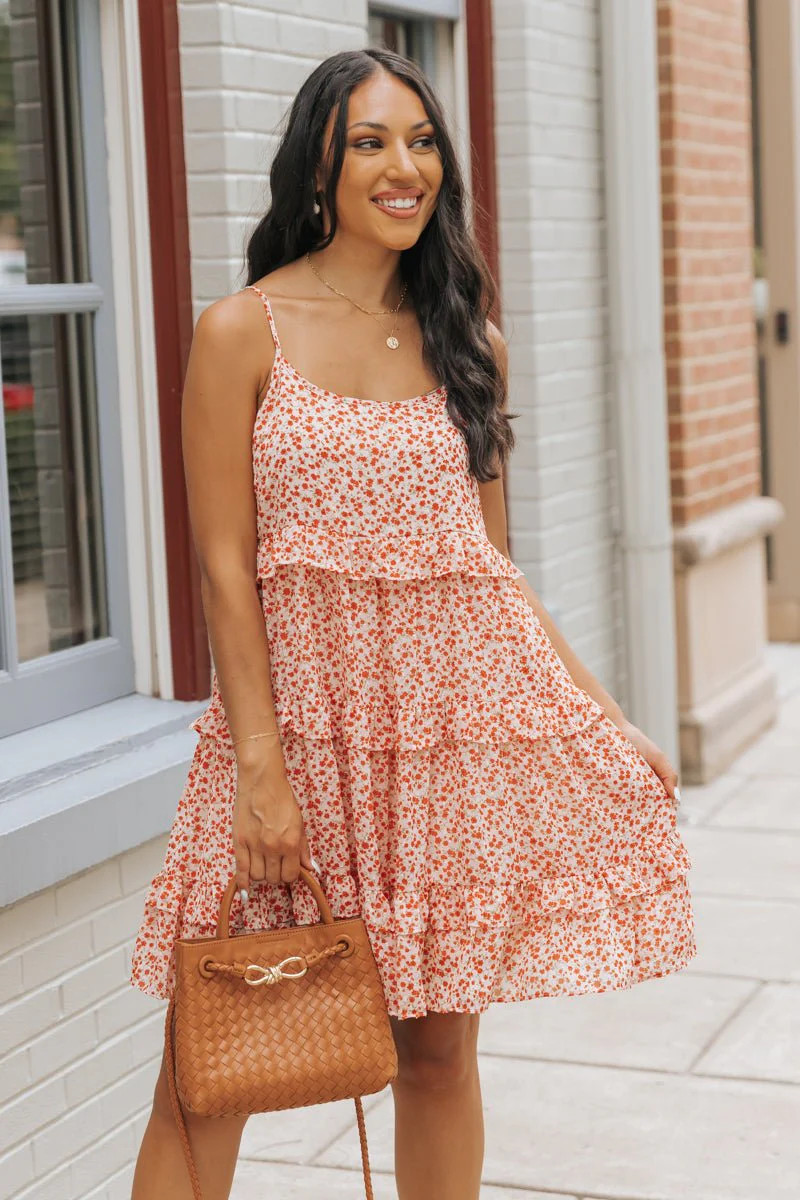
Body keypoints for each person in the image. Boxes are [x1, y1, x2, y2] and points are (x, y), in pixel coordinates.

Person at [129, 47, 696, 1200]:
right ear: (318, 166)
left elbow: (488, 573)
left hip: (439, 756)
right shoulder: (241, 330)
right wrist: (259, 770)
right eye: (370, 142)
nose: (405, 167)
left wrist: (603, 717)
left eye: (422, 141)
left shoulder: (466, 343)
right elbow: (224, 570)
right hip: (295, 744)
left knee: (436, 1058)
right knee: (211, 1071)